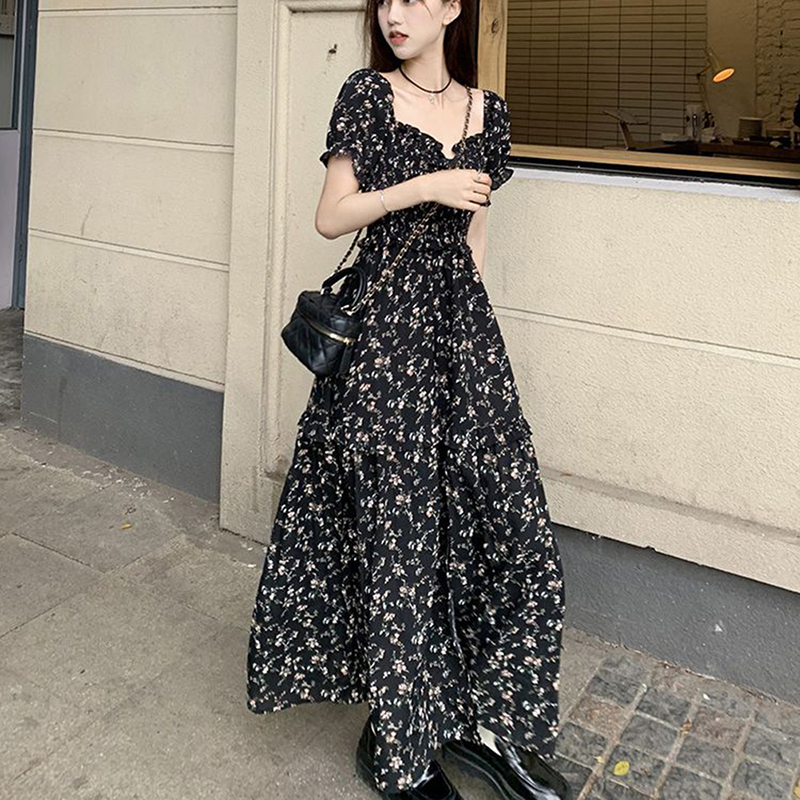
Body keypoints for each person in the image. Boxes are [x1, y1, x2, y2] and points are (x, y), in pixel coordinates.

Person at [246, 0, 569, 798]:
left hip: (459, 336)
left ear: (453, 7)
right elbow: (331, 217)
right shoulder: (366, 93)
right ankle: (400, 744)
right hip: (384, 343)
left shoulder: (488, 112)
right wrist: (422, 186)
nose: (396, 13)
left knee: (515, 529)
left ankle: (491, 726)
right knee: (401, 541)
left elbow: (476, 234)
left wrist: (468, 334)